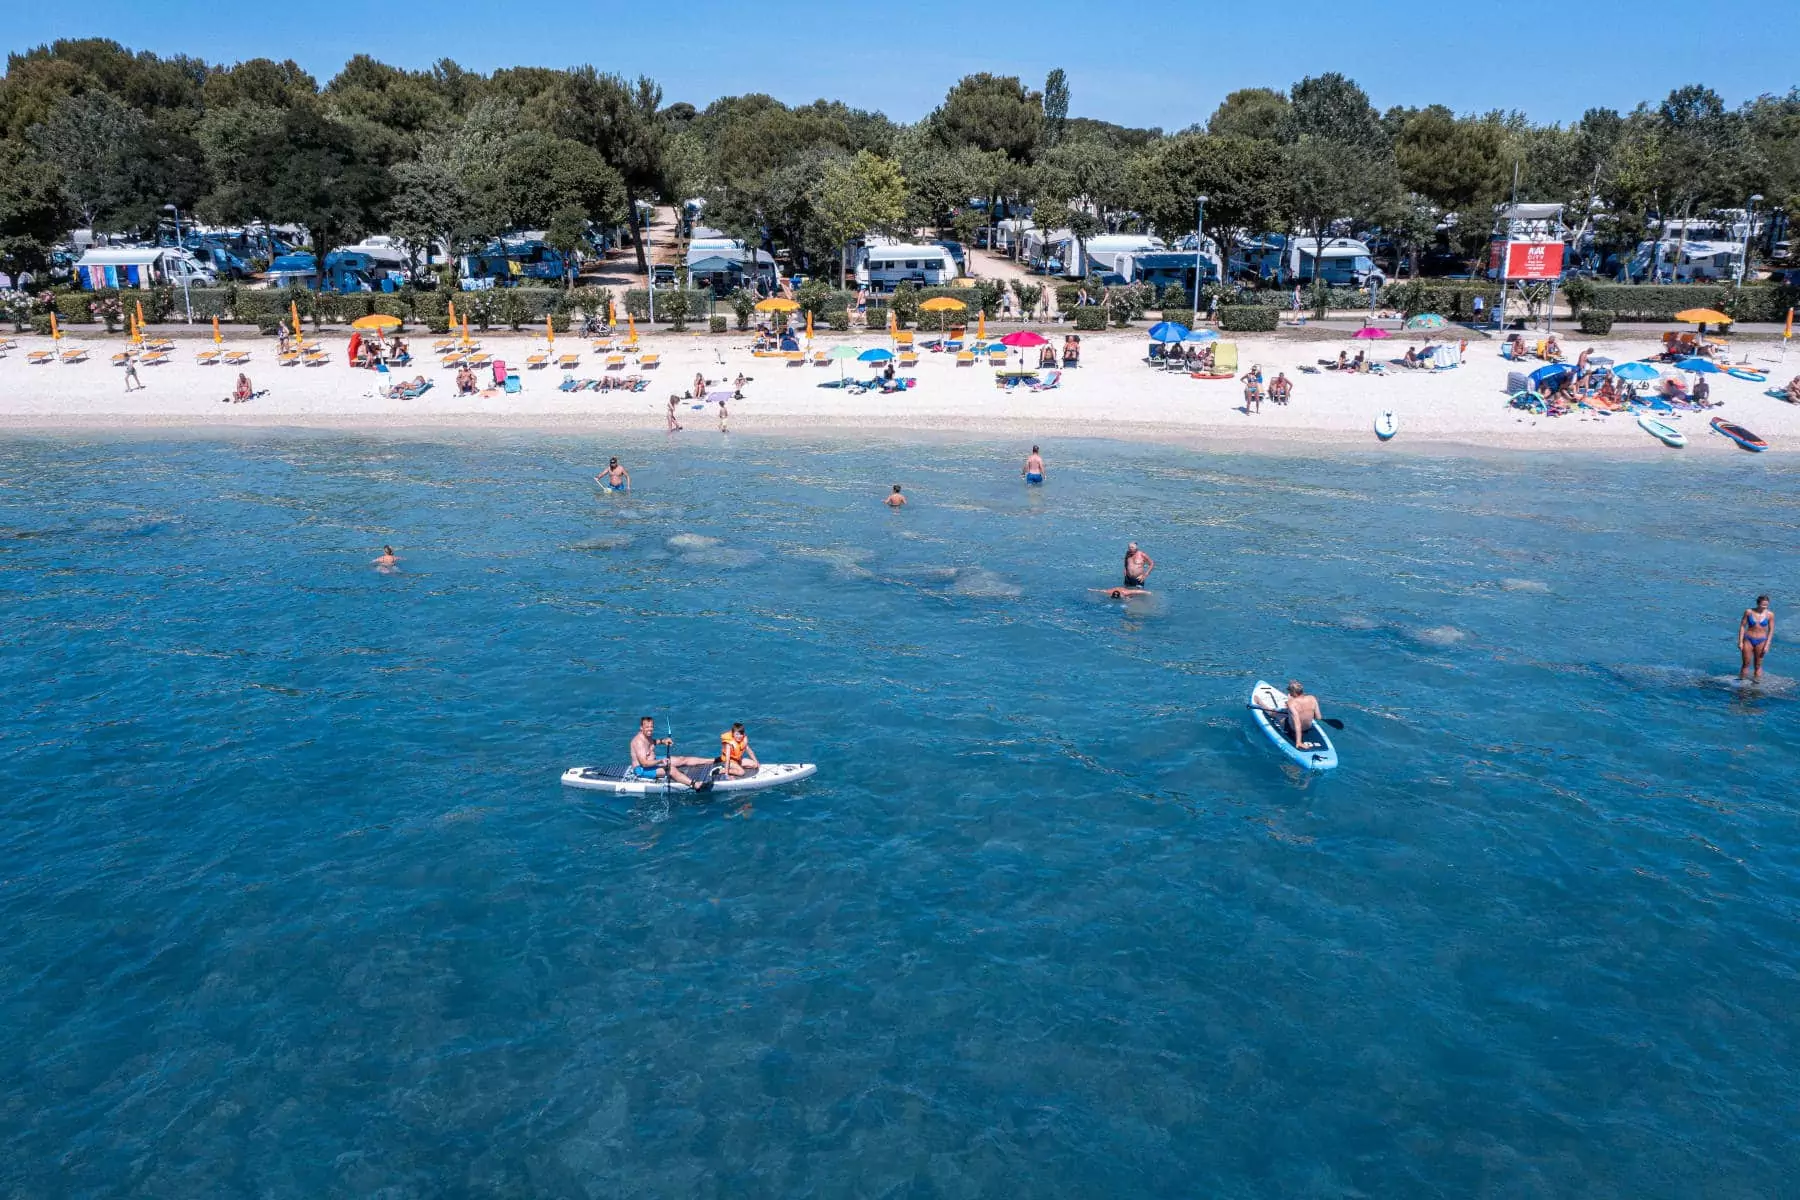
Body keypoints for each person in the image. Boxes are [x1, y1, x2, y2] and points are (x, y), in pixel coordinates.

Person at [630, 716, 711, 790]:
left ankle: (712, 761)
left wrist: (663, 741)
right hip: (642, 770)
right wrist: (660, 761)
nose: (650, 729)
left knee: (681, 759)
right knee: (671, 769)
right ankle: (695, 785)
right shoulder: (638, 742)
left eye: (651, 726)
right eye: (647, 727)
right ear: (641, 728)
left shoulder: (647, 735)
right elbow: (644, 764)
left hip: (654, 761)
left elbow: (651, 742)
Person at [1255, 680, 1323, 749]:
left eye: (1290, 692)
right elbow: (1318, 717)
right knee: (1289, 712)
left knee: (1274, 713)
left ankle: (1260, 702)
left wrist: (1299, 742)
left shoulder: (1291, 703)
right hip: (1308, 727)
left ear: (1293, 692)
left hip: (1292, 729)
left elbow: (1297, 723)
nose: (1289, 694)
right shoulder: (1312, 698)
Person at [1739, 595, 1775, 682]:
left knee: (1758, 665)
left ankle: (1756, 684)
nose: (1764, 607)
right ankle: (1741, 682)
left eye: (1766, 605)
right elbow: (1742, 626)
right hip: (1748, 639)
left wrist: (1767, 645)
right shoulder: (1749, 612)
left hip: (1761, 641)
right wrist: (1740, 642)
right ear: (1758, 603)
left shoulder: (1770, 614)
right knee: (1746, 663)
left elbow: (1771, 630)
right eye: (1763, 605)